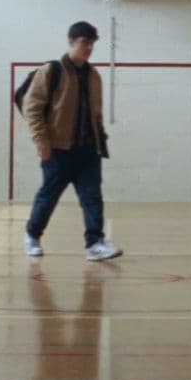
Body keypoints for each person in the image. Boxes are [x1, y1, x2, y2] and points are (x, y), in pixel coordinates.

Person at [21, 21, 122, 261]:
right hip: (58, 150)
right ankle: (32, 236)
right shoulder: (52, 70)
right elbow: (32, 107)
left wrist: (100, 140)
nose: (88, 48)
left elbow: (95, 113)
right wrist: (41, 140)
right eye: (84, 43)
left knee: (92, 197)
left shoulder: (94, 75)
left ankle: (95, 243)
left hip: (88, 150)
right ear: (71, 42)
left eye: (92, 44)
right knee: (49, 195)